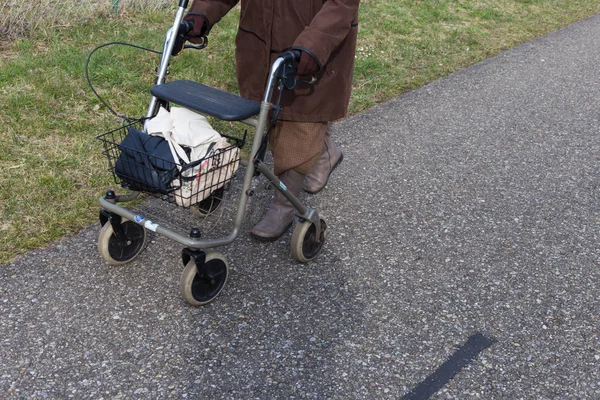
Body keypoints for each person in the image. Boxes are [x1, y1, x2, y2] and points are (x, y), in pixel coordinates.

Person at [183, 0, 360, 241]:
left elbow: (342, 4)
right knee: (270, 112)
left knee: (301, 123)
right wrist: (202, 13)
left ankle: (283, 206)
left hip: (316, 43)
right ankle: (324, 151)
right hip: (260, 38)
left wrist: (314, 43)